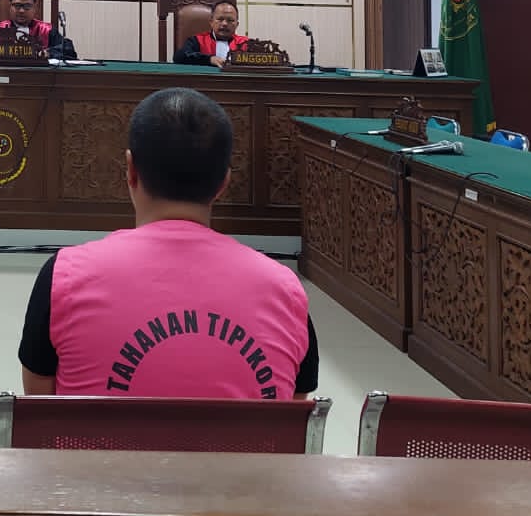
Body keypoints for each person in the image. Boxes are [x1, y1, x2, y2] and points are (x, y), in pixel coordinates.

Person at [17, 87, 318, 399]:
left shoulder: (63, 277)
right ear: (223, 183)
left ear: (131, 171)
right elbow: (293, 413)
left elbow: (41, 410)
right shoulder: (285, 291)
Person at [0, 0, 76, 60]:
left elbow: (68, 50)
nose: (22, 11)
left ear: (34, 8)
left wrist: (48, 53)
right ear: (10, 7)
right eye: (17, 5)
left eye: (27, 6)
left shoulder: (46, 30)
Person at [174, 0, 250, 66]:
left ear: (237, 24)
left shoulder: (245, 43)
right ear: (211, 22)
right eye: (220, 19)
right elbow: (179, 57)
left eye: (230, 20)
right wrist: (209, 59)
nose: (224, 24)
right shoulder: (197, 40)